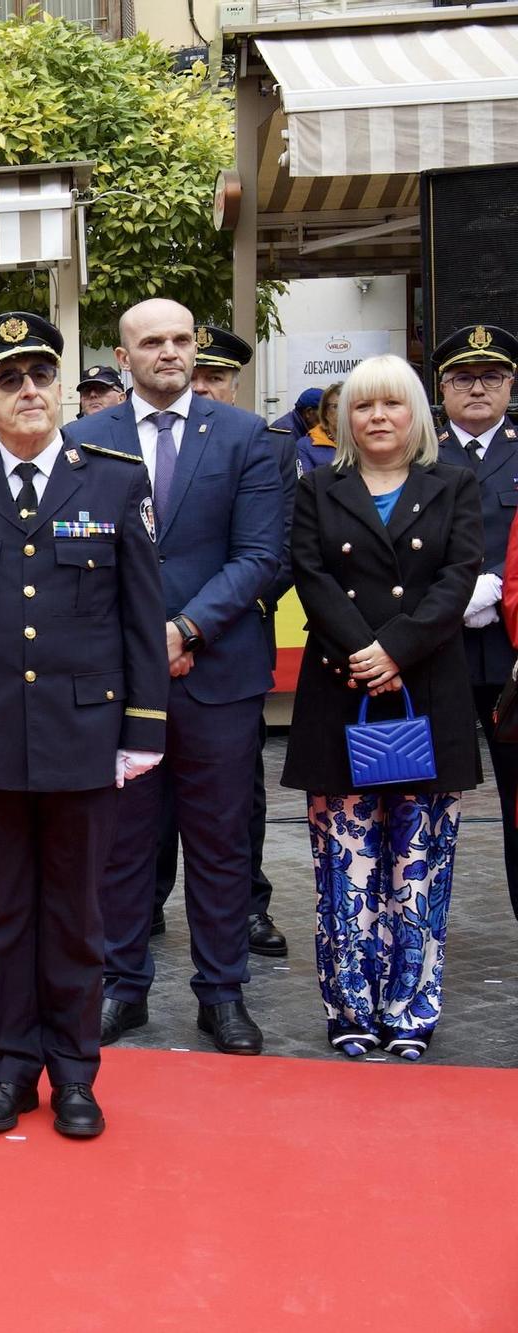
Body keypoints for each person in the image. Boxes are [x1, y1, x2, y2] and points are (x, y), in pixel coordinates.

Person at [0, 311, 167, 1139]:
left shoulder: (116, 479)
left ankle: (77, 1073)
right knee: (0, 911)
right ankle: (10, 1069)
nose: (32, 391)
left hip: (84, 735)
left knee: (76, 912)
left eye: (42, 376)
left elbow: (140, 618)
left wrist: (144, 729)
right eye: (10, 381)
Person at [67, 299, 285, 1058]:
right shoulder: (82, 441)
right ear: (122, 359)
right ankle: (123, 987)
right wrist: (140, 642)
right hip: (119, 681)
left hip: (218, 672)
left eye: (181, 339)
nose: (169, 351)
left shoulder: (248, 436)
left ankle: (222, 993)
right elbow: (76, 560)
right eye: (150, 342)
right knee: (122, 844)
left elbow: (262, 554)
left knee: (221, 841)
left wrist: (185, 630)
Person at [287, 353, 481, 1059]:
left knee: (420, 864)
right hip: (342, 694)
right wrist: (365, 652)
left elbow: (458, 577)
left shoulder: (453, 485)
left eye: (392, 405)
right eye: (363, 406)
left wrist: (395, 648)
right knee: (347, 865)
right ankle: (350, 1009)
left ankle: (411, 1006)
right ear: (344, 419)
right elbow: (309, 574)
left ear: (415, 415)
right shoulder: (318, 487)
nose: (377, 418)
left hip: (427, 691)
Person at [173, 323, 293, 960]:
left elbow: (281, 550)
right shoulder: (125, 440)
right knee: (138, 816)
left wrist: (207, 621)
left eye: (215, 377)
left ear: (234, 382)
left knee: (233, 807)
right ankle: (136, 941)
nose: (204, 387)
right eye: (199, 377)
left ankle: (245, 916)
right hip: (147, 657)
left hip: (232, 648)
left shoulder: (266, 445)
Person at [432, 323, 518, 922]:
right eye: (464, 378)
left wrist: (499, 586)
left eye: (491, 376)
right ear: (442, 387)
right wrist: (462, 592)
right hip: (437, 651)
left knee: (517, 803)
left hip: (515, 656)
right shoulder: (417, 451)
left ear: (511, 383)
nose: (478, 388)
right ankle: (420, 937)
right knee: (427, 801)